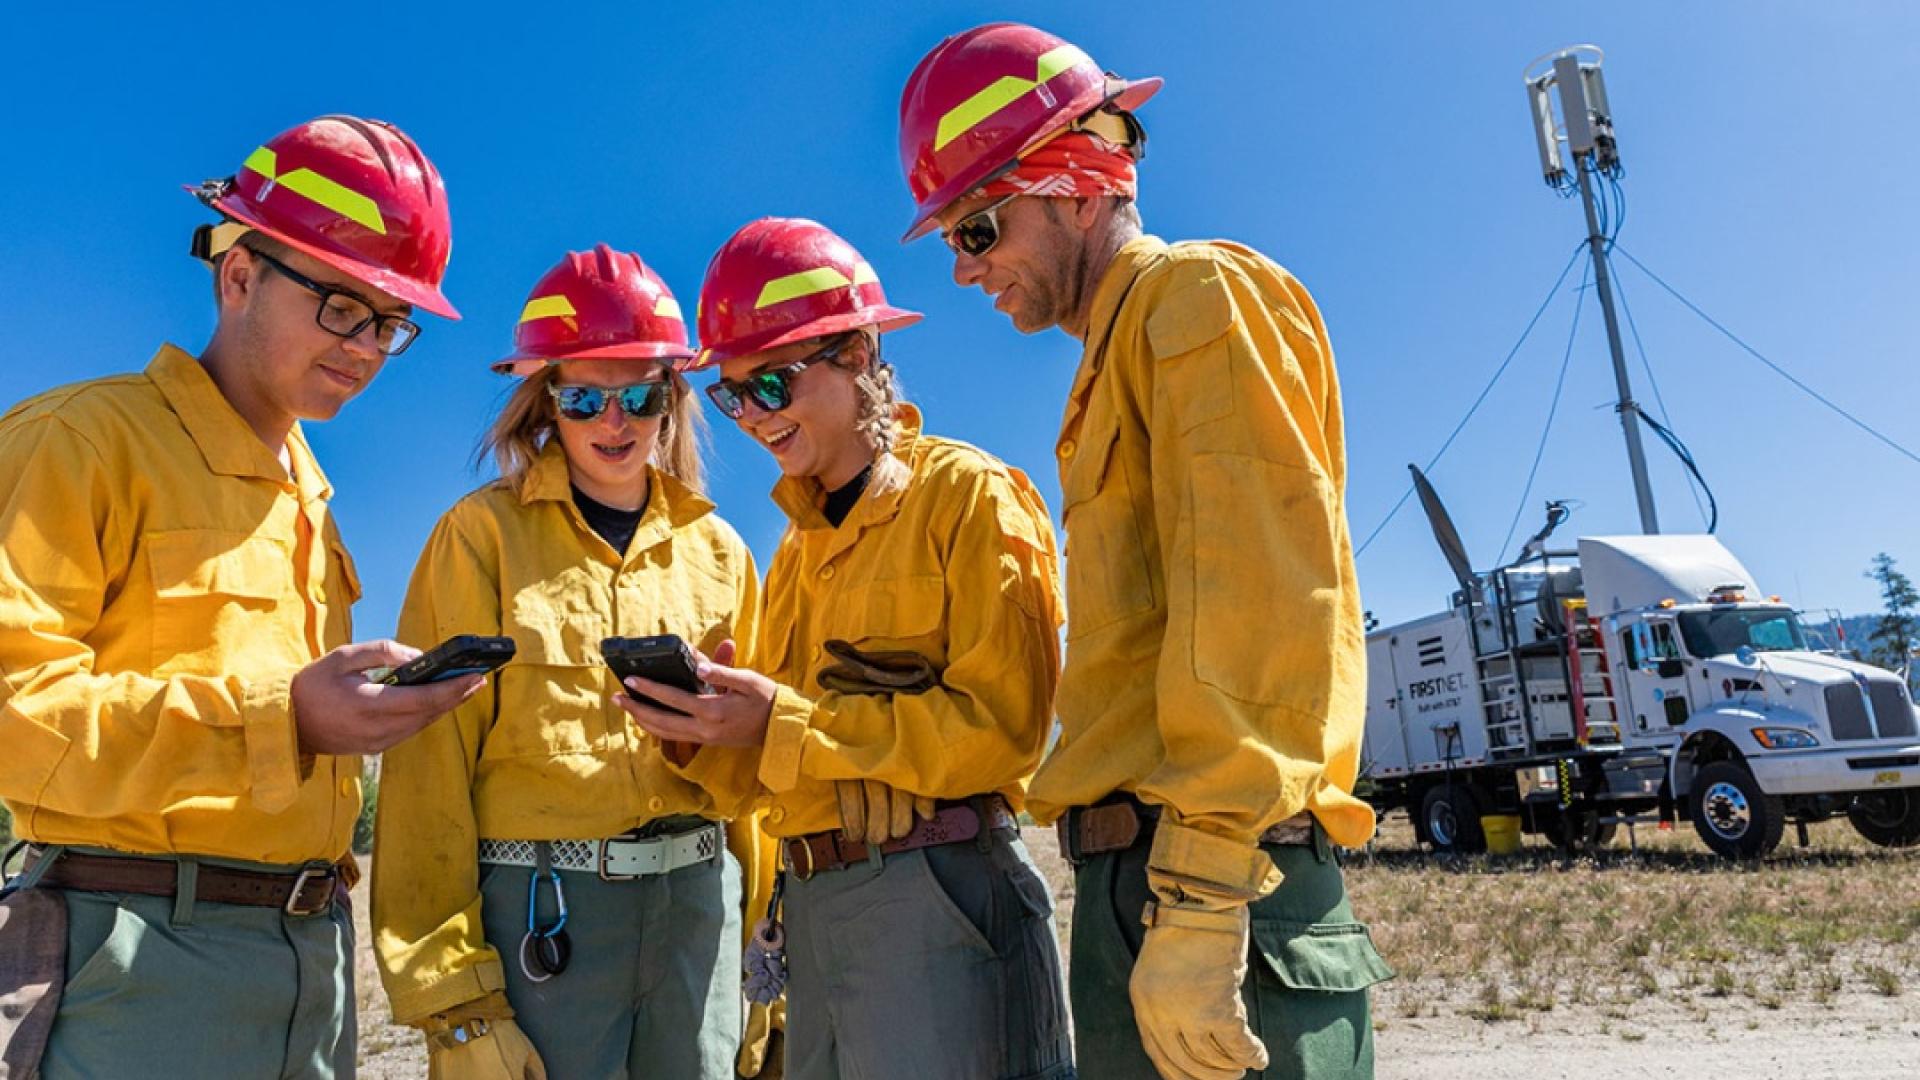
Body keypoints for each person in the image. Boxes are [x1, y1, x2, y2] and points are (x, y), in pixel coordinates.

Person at [899, 23, 1394, 1080]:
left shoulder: (1195, 298)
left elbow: (1263, 602)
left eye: (979, 228)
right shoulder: (1116, 357)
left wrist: (1207, 894)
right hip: (1148, 883)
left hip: (1211, 882)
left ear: (1077, 184)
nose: (962, 268)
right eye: (951, 238)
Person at [0, 114, 470, 1079]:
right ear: (240, 273)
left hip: (310, 955)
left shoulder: (310, 497)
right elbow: (14, 710)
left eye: (389, 322)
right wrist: (284, 718)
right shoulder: (80, 444)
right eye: (342, 305)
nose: (368, 346)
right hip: (131, 959)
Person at [622, 217, 1073, 1080]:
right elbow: (782, 758)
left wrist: (781, 723)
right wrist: (699, 734)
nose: (754, 415)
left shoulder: (968, 499)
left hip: (935, 895)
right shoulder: (794, 554)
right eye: (733, 395)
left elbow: (1007, 729)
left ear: (859, 353)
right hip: (815, 911)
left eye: (775, 384)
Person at [372, 244, 766, 1079]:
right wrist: (458, 1009)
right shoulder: (479, 537)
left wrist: (762, 956)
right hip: (542, 921)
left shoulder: (723, 553)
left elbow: (753, 780)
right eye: (584, 398)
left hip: (702, 914)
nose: (613, 423)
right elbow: (428, 770)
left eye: (639, 396)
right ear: (546, 402)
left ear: (673, 397)